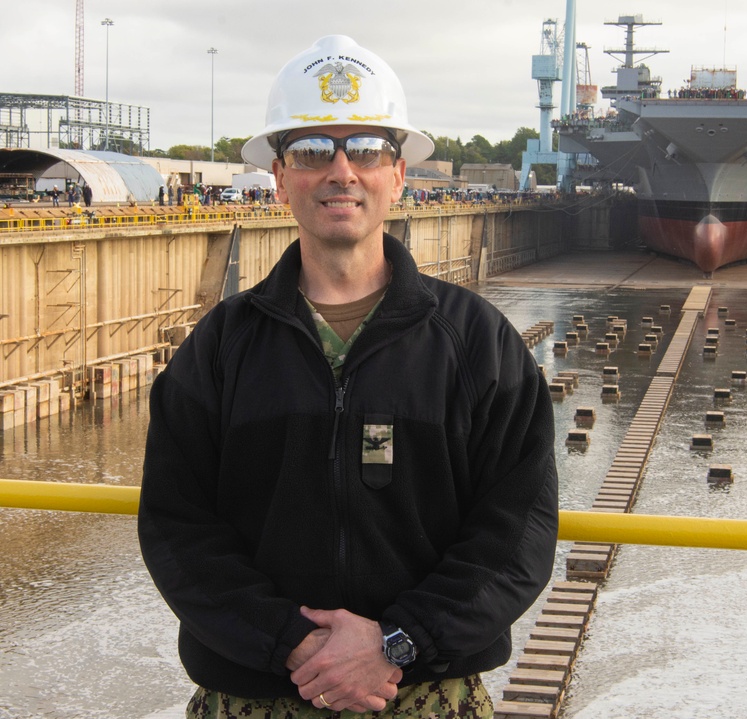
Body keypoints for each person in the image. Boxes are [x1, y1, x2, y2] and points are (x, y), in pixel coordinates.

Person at [138, 35, 558, 719]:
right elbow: (178, 529)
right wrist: (293, 643)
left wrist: (396, 641)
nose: (341, 170)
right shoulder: (219, 349)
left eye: (364, 148)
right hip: (255, 693)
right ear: (279, 177)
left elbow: (518, 532)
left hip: (426, 693)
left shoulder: (477, 344)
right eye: (311, 151)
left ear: (397, 174)